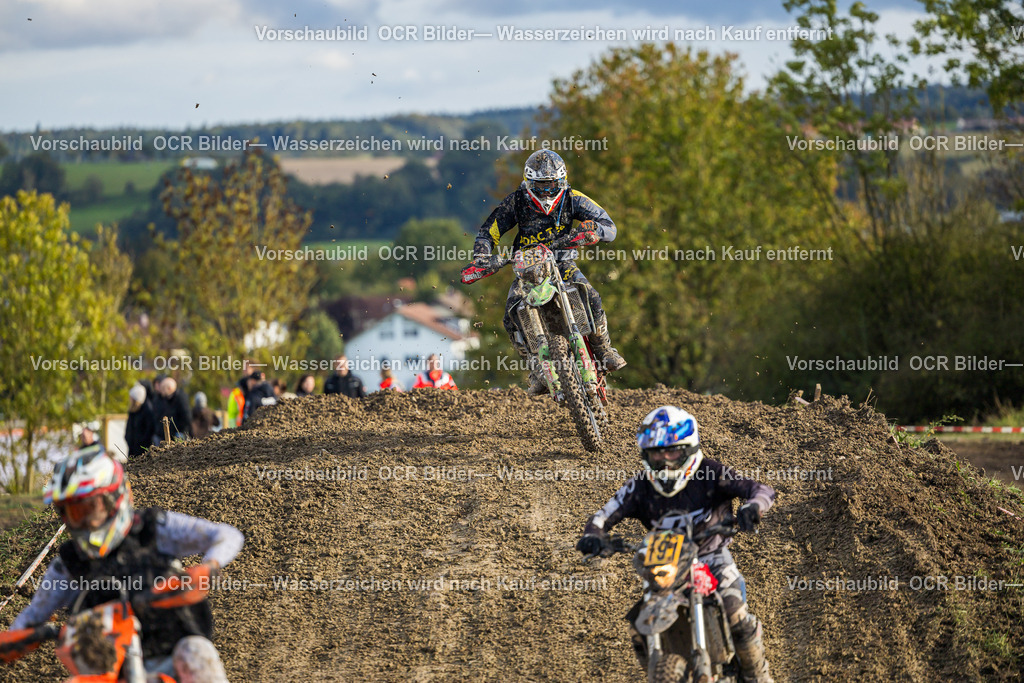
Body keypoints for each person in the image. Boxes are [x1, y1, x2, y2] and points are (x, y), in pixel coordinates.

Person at [7, 445, 243, 681]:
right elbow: (30, 619)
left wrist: (209, 566)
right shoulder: (69, 566)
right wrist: (16, 640)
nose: (85, 522)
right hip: (107, 668)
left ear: (115, 496)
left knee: (197, 653)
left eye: (90, 508)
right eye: (74, 513)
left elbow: (228, 535)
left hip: (173, 656)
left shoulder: (154, 529)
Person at [575, 406, 775, 683]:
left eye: (672, 452)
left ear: (689, 449)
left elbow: (760, 490)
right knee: (638, 625)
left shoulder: (711, 472)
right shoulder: (641, 485)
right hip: (664, 561)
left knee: (736, 613)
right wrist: (593, 535)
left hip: (712, 557)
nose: (665, 461)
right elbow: (604, 514)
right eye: (657, 454)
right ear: (646, 455)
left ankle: (758, 678)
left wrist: (753, 507)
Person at [462, 149, 626, 395]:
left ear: (561, 180)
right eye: (540, 185)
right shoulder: (516, 201)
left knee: (590, 294)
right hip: (527, 268)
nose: (547, 191)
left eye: (552, 185)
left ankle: (603, 348)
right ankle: (536, 368)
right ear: (529, 183)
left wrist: (592, 232)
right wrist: (483, 257)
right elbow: (489, 232)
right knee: (510, 316)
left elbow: (609, 227)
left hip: (562, 262)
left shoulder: (574, 198)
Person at [154, 377, 191, 441]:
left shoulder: (181, 398)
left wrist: (178, 431)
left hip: (178, 435)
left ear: (169, 388)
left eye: (163, 388)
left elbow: (186, 417)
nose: (161, 391)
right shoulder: (165, 399)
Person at [125, 383, 155, 459]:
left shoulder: (147, 410)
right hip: (132, 445)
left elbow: (148, 430)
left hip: (141, 447)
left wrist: (141, 442)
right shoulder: (133, 411)